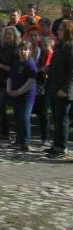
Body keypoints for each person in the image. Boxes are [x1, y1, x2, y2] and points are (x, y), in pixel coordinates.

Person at [46, 20, 73, 158]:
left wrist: (66, 89)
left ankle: (62, 147)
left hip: (63, 90)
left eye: (61, 29)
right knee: (57, 118)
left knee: (63, 119)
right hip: (54, 87)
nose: (58, 31)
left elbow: (71, 72)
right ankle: (56, 145)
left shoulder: (70, 48)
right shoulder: (60, 47)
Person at [7, 41, 37, 152]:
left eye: (25, 49)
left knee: (24, 117)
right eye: (21, 49)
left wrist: (19, 91)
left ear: (30, 51)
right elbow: (10, 77)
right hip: (15, 94)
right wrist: (9, 90)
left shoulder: (30, 64)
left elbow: (31, 81)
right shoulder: (16, 63)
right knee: (18, 118)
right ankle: (18, 140)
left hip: (26, 96)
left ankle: (25, 142)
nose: (23, 52)